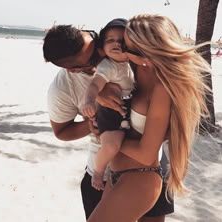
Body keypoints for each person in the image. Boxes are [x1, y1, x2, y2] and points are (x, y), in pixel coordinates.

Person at [42, 19, 174, 222]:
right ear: (75, 69)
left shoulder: (125, 50)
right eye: (94, 57)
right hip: (102, 173)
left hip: (147, 169)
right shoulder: (62, 88)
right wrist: (92, 125)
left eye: (96, 42)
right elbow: (61, 132)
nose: (104, 52)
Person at [87, 14, 211, 222]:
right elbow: (99, 69)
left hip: (140, 177)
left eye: (126, 47)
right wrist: (100, 93)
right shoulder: (135, 69)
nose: (121, 50)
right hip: (116, 174)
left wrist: (106, 137)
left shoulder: (162, 89)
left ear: (145, 54)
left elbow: (146, 154)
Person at [81, 18, 135, 191]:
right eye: (110, 40)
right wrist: (89, 100)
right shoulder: (107, 66)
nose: (116, 44)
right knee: (112, 145)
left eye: (122, 41)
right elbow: (95, 85)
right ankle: (98, 171)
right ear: (102, 48)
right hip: (110, 113)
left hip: (129, 110)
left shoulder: (133, 64)